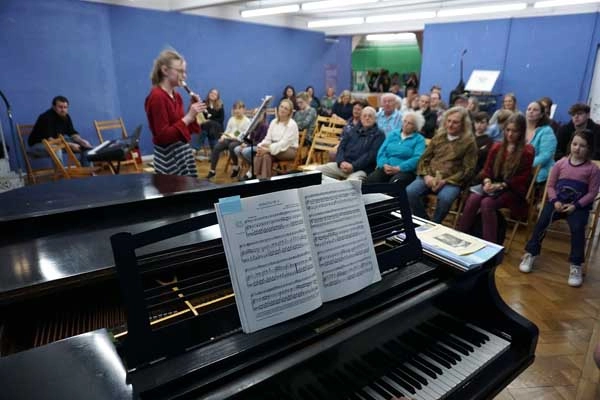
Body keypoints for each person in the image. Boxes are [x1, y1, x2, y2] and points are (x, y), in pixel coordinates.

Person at [519, 130, 600, 287]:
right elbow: (550, 186)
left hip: (578, 207)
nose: (577, 148)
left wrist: (576, 206)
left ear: (589, 148)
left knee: (578, 228)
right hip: (557, 203)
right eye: (575, 144)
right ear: (570, 144)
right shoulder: (560, 164)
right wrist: (555, 200)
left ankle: (576, 265)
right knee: (542, 221)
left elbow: (592, 193)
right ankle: (531, 253)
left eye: (582, 146)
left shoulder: (592, 169)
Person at [457, 114, 534, 244]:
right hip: (493, 185)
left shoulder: (527, 151)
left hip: (512, 189)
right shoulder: (497, 147)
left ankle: (490, 245)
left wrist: (501, 185)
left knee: (487, 203)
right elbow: (487, 170)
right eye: (507, 130)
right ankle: (460, 235)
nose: (510, 134)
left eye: (514, 131)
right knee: (473, 199)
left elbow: (522, 178)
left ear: (521, 132)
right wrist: (487, 181)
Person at [406, 107, 478, 223]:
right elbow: (424, 159)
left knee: (445, 199)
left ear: (463, 125)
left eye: (455, 122)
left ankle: (436, 223)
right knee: (410, 192)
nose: (450, 125)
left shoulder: (469, 142)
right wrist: (426, 176)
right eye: (448, 121)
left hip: (452, 181)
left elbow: (468, 169)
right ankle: (424, 221)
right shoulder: (438, 137)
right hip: (430, 176)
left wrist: (445, 181)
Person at [145, 49, 206, 177]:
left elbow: (182, 129)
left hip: (182, 153)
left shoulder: (176, 96)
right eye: (180, 71)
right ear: (165, 70)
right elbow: (163, 136)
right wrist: (188, 117)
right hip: (169, 158)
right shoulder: (157, 97)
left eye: (185, 72)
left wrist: (192, 112)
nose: (184, 76)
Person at [317, 106, 385, 181]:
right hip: (342, 166)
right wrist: (341, 162)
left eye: (370, 116)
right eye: (364, 116)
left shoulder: (379, 135)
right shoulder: (352, 131)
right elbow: (341, 147)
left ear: (375, 119)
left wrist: (353, 166)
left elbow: (370, 156)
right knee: (316, 172)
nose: (367, 118)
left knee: (350, 183)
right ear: (361, 118)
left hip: (361, 169)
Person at [28, 95, 93, 166]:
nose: (63, 110)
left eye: (65, 107)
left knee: (86, 146)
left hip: (57, 143)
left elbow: (72, 133)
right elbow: (50, 140)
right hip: (38, 145)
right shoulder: (46, 117)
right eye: (60, 107)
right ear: (53, 107)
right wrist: (70, 145)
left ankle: (88, 169)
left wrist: (81, 141)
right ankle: (61, 172)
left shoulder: (66, 116)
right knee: (57, 148)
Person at [366, 111, 426, 186]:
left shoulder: (419, 139)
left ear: (415, 127)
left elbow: (417, 158)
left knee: (395, 183)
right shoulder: (393, 134)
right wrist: (384, 165)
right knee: (370, 180)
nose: (405, 124)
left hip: (405, 171)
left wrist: (399, 168)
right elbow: (382, 151)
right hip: (386, 168)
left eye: (409, 123)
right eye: (404, 121)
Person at [253, 99, 298, 179]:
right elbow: (267, 138)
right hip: (274, 147)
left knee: (265, 153)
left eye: (286, 108)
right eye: (281, 107)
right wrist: (260, 146)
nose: (282, 109)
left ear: (289, 112)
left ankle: (257, 176)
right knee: (265, 156)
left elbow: (284, 143)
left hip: (288, 149)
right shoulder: (273, 122)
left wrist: (267, 149)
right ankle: (263, 179)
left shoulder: (292, 124)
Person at [206, 101, 250, 179]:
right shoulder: (231, 119)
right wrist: (222, 137)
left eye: (239, 108)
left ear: (244, 109)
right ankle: (212, 171)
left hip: (239, 141)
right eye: (235, 108)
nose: (237, 110)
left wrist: (236, 137)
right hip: (229, 138)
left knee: (231, 146)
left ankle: (236, 167)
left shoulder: (247, 121)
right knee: (217, 147)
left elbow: (246, 135)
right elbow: (227, 131)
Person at [525, 101, 557, 184]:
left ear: (541, 115)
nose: (531, 111)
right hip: (521, 169)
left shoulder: (547, 131)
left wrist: (524, 165)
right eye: (529, 109)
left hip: (540, 171)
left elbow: (545, 156)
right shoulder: (521, 129)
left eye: (535, 110)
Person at [233, 112, 269, 180]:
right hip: (252, 145)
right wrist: (245, 143)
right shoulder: (253, 125)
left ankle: (252, 170)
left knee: (245, 151)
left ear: (263, 116)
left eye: (259, 114)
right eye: (255, 114)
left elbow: (260, 142)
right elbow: (250, 139)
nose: (257, 116)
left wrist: (247, 145)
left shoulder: (265, 126)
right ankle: (253, 165)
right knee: (237, 149)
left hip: (260, 146)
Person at [195, 88, 225, 153]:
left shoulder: (220, 105)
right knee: (209, 128)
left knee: (209, 125)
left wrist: (210, 121)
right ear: (209, 94)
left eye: (215, 94)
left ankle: (196, 147)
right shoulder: (203, 103)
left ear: (217, 97)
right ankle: (214, 152)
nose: (212, 94)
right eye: (211, 92)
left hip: (218, 127)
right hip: (206, 126)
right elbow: (201, 117)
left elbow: (221, 119)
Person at [472, 111, 494, 178]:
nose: (479, 125)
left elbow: (480, 156)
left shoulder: (489, 141)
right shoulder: (468, 137)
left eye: (482, 123)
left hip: (477, 171)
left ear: (487, 124)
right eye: (477, 122)